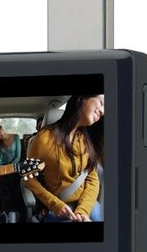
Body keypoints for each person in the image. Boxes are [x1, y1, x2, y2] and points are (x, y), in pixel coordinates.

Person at [25, 94, 104, 222]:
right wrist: (54, 204)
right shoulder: (44, 138)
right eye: (101, 102)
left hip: (87, 205)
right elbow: (29, 178)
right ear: (82, 98)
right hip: (57, 208)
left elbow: (92, 179)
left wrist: (83, 210)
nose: (103, 111)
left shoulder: (87, 140)